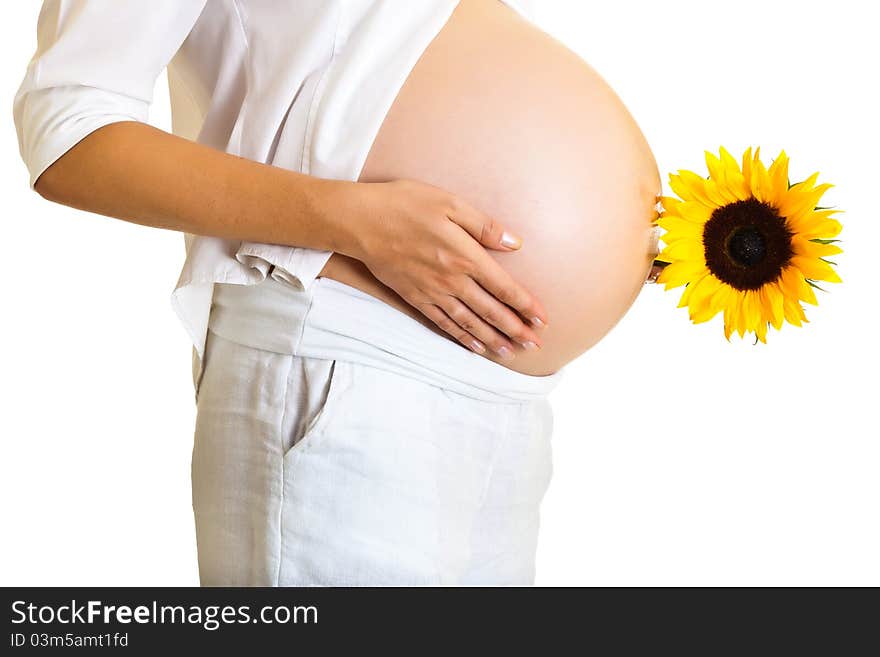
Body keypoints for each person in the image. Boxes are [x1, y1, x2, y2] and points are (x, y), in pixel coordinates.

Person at [14, 0, 659, 586]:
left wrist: (602, 225)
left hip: (503, 397)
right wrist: (350, 220)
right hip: (343, 359)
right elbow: (70, 129)